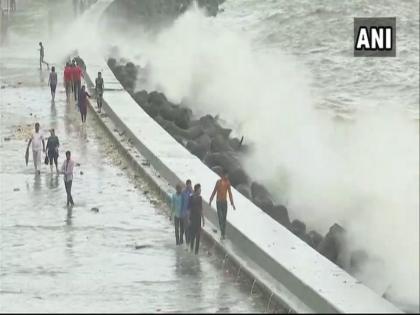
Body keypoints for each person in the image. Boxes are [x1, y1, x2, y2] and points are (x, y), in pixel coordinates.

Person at [209, 169, 236, 240]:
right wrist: (211, 199)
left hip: (224, 202)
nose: (227, 176)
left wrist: (232, 203)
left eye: (228, 175)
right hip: (218, 202)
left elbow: (230, 193)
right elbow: (214, 191)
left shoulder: (228, 183)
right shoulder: (218, 182)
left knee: (224, 219)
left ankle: (223, 234)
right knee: (220, 218)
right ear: (223, 175)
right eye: (226, 175)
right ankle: (222, 233)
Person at [188, 183, 205, 255]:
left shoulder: (200, 198)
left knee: (198, 237)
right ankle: (191, 250)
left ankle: (196, 253)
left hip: (198, 220)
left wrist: (203, 219)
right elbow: (189, 209)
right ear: (196, 190)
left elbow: (201, 209)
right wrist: (188, 219)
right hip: (192, 219)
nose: (200, 191)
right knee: (192, 236)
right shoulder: (191, 197)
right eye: (200, 189)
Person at [181, 179, 193, 245]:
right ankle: (187, 241)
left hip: (191, 212)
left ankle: (190, 240)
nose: (189, 186)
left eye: (190, 185)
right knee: (186, 227)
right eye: (188, 185)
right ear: (186, 185)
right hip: (185, 212)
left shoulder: (191, 192)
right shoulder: (183, 192)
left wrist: (192, 191)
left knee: (190, 226)